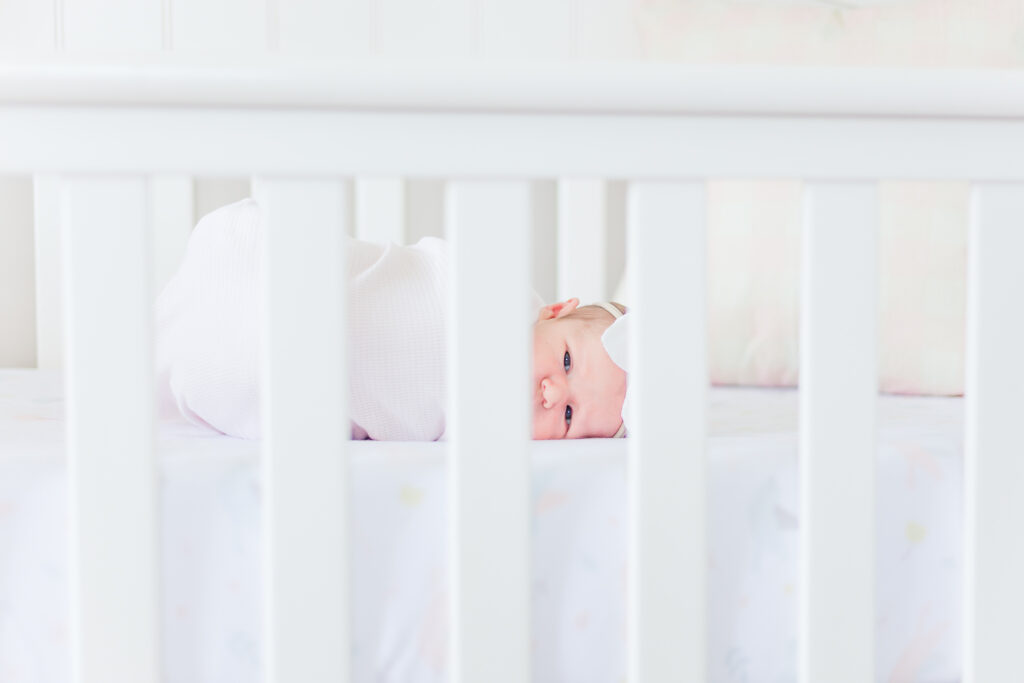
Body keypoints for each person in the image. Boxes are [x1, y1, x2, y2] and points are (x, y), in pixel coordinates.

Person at [156, 198, 627, 441]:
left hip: (250, 381)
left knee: (223, 367)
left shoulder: (486, 432)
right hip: (276, 270)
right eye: (566, 361)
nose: (551, 393)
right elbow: (425, 270)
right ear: (554, 310)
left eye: (568, 417)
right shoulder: (496, 294)